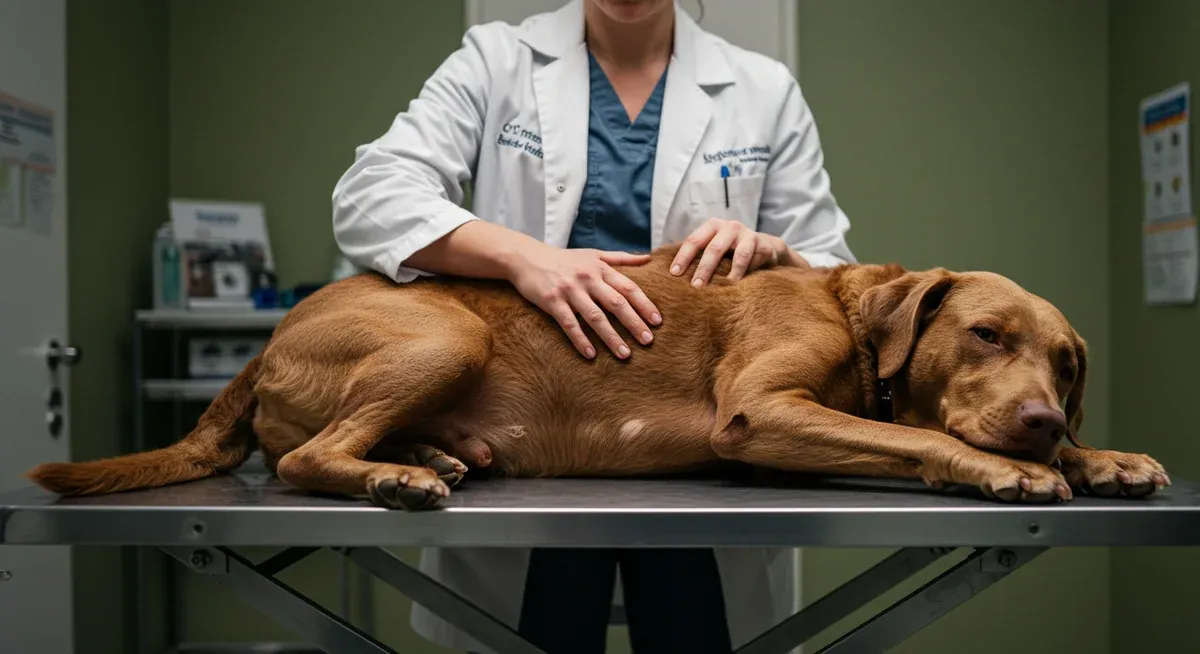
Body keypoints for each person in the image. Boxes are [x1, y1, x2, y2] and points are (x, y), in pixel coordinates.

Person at [331, 0, 856, 652]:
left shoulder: (761, 88)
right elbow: (371, 196)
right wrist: (524, 258)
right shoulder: (497, 61)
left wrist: (779, 253)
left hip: (698, 453)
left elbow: (836, 270)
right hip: (528, 442)